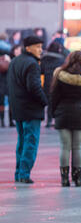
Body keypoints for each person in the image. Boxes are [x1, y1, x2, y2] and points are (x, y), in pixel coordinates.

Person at [51, 51, 81, 187]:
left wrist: (54, 113)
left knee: (65, 147)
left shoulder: (60, 75)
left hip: (63, 112)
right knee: (78, 147)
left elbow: (54, 96)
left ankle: (64, 179)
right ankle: (78, 179)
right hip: (80, 112)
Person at [7, 36, 48, 184]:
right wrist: (45, 102)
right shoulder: (32, 64)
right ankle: (24, 173)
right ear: (28, 48)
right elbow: (34, 88)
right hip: (31, 110)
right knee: (30, 141)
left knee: (22, 141)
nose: (40, 50)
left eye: (41, 46)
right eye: (37, 46)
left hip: (18, 109)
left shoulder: (15, 61)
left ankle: (19, 172)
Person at [40, 41, 65, 128]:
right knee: (57, 101)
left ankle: (49, 120)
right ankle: (57, 120)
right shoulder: (61, 59)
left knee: (50, 102)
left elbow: (41, 70)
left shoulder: (44, 58)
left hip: (47, 83)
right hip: (58, 82)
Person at [0, 52, 10, 127]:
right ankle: (3, 120)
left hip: (5, 84)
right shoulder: (8, 60)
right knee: (2, 103)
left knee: (2, 103)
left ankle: (3, 121)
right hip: (5, 84)